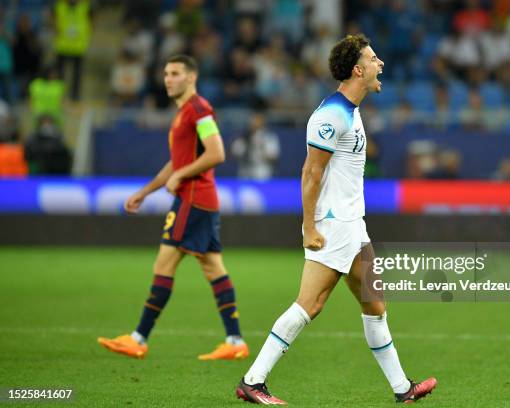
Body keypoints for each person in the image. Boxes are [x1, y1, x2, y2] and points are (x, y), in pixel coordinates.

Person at [235, 34, 437, 405]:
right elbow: (311, 173)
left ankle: (402, 390)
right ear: (358, 69)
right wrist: (309, 227)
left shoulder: (351, 110)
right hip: (334, 224)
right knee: (309, 304)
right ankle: (253, 380)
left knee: (374, 302)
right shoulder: (330, 115)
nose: (381, 65)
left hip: (352, 222)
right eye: (374, 59)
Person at [98, 55, 249, 361]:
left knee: (164, 265)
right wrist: (145, 192)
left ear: (191, 77)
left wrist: (181, 175)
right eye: (166, 73)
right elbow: (176, 163)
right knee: (213, 267)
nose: (168, 79)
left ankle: (139, 338)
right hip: (199, 199)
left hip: (192, 199)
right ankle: (234, 341)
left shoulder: (199, 110)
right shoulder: (184, 114)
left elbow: (216, 152)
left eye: (175, 73)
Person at [230, 112, 280, 180]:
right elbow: (234, 153)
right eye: (252, 121)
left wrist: (261, 146)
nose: (254, 123)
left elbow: (273, 157)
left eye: (257, 121)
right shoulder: (243, 137)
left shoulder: (269, 137)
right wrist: (246, 144)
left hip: (262, 171)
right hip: (245, 171)